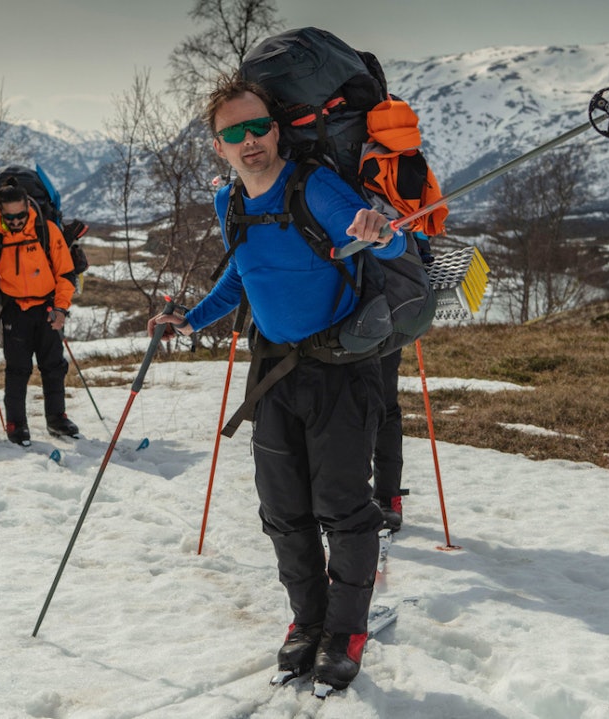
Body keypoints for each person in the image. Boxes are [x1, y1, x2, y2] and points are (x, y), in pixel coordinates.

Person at [147, 74, 407, 691]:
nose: (249, 140)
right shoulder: (228, 203)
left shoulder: (316, 186)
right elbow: (242, 277)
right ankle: (306, 622)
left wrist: (380, 229)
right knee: (283, 510)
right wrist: (191, 319)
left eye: (257, 125)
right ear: (217, 146)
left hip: (340, 371)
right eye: (232, 132)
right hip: (273, 373)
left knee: (343, 509)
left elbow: (384, 245)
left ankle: (345, 634)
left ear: (277, 127)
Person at [0, 184, 77, 445]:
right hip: (15, 311)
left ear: (28, 208)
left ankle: (57, 418)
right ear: (0, 213)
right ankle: (16, 424)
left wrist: (61, 308)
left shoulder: (47, 231)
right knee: (17, 370)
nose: (17, 221)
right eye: (10, 217)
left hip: (48, 307)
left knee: (54, 366)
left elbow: (65, 273)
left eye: (21, 215)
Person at [373, 349, 406, 531]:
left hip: (384, 332)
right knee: (339, 411)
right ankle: (339, 497)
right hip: (331, 332)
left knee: (385, 411)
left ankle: (387, 497)